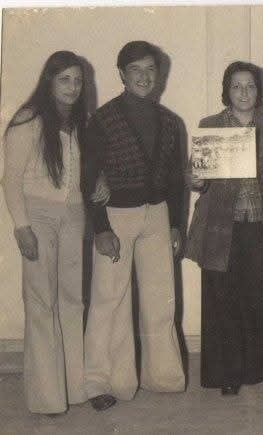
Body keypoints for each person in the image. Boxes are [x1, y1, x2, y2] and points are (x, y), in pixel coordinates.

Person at [81, 41, 185, 411]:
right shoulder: (102, 119)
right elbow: (89, 177)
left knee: (160, 299)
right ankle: (102, 382)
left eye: (150, 69)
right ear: (122, 74)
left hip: (157, 215)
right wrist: (101, 228)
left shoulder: (171, 122)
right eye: (136, 70)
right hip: (116, 216)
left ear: (160, 75)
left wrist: (176, 225)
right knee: (110, 299)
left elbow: (176, 179)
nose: (144, 76)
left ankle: (162, 376)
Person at [1, 51, 106, 415]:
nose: (72, 87)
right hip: (38, 217)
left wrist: (101, 180)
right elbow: (10, 181)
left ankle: (75, 388)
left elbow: (86, 169)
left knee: (72, 300)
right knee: (42, 303)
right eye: (65, 79)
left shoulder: (81, 122)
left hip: (73, 216)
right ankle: (47, 397)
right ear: (49, 80)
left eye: (78, 80)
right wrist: (22, 227)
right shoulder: (28, 120)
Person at [184, 61, 263, 395]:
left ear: (260, 91)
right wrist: (194, 179)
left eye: (250, 86)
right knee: (220, 299)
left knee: (256, 298)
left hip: (261, 225)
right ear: (226, 91)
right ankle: (224, 375)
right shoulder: (210, 125)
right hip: (220, 226)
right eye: (236, 86)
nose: (244, 92)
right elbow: (195, 177)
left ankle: (253, 370)